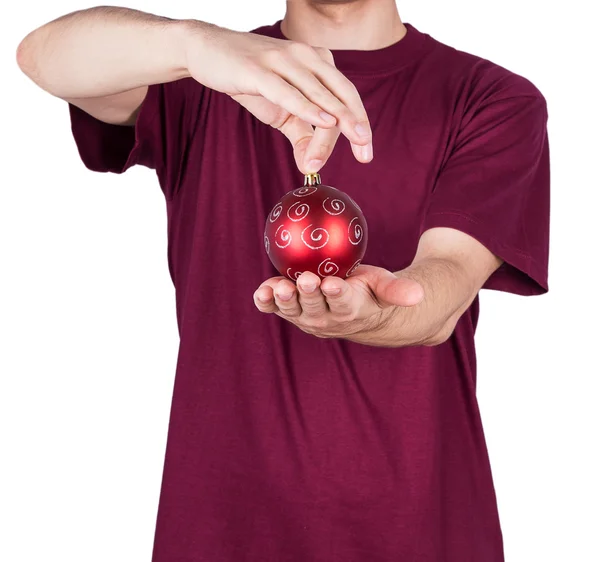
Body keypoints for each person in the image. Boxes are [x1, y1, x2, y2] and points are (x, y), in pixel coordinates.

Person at [16, 0, 550, 560]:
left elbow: (444, 284)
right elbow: (40, 57)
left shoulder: (493, 98)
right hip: (220, 525)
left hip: (419, 526)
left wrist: (381, 312)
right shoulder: (202, 79)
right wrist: (195, 45)